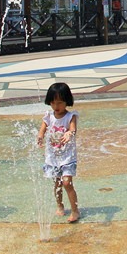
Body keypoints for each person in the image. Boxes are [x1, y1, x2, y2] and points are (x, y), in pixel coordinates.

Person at [37, 82, 80, 223]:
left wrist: (69, 133)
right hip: (53, 157)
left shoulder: (71, 116)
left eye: (60, 103)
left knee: (67, 183)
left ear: (67, 101)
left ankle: (75, 210)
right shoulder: (49, 116)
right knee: (57, 184)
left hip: (67, 157)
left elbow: (72, 129)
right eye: (53, 103)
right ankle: (60, 205)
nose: (56, 106)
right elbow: (42, 128)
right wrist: (40, 136)